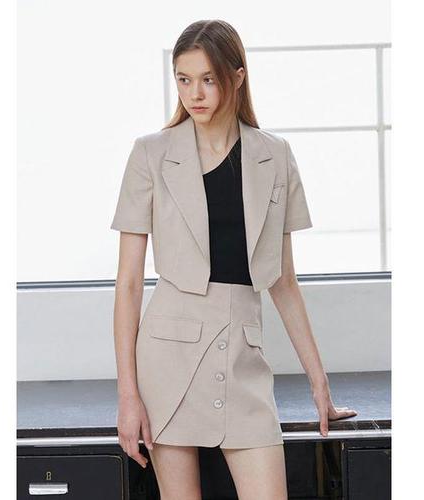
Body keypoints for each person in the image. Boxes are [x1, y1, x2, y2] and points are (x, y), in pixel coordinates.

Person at [111, 19, 357, 500]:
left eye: (208, 79)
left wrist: (319, 383)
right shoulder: (150, 154)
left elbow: (283, 280)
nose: (194, 94)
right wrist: (127, 396)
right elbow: (129, 284)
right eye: (184, 79)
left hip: (244, 354)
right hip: (167, 361)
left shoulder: (275, 155)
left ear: (237, 76)